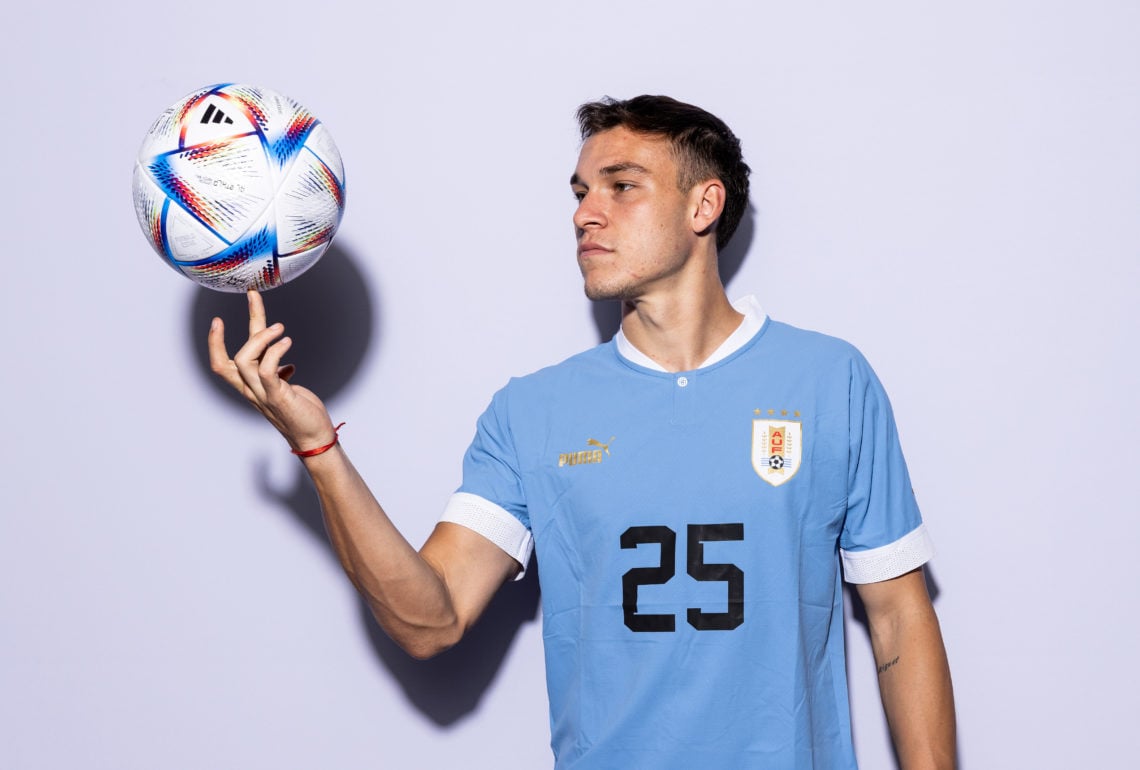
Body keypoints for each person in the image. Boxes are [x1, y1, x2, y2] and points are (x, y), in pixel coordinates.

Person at [209, 95, 956, 769]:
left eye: (621, 187)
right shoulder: (533, 412)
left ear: (704, 206)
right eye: (579, 192)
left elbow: (898, 616)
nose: (584, 212)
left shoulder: (829, 382)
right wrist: (318, 449)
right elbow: (429, 619)